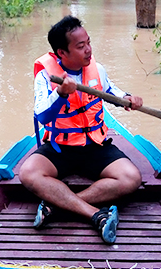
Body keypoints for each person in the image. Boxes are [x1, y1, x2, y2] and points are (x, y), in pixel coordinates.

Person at [19, 15, 144, 244]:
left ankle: (58, 207)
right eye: (80, 46)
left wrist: (128, 99)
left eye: (88, 42)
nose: (88, 50)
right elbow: (42, 114)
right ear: (62, 53)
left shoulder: (97, 69)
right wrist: (61, 93)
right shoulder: (45, 76)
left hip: (94, 146)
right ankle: (95, 215)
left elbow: (111, 92)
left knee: (131, 178)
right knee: (28, 173)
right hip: (60, 148)